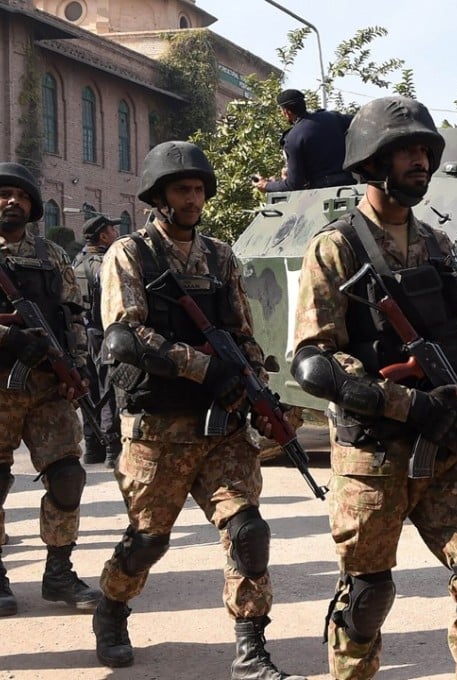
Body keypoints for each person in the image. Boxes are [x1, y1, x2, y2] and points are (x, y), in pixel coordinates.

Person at [290, 95, 457, 679]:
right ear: (369, 161)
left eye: (425, 151)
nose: (420, 161)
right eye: (405, 151)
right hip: (374, 454)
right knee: (366, 597)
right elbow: (313, 362)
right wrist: (407, 403)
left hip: (451, 449)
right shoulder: (337, 247)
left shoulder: (439, 246)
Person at [90, 141, 305, 680]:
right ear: (159, 195)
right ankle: (112, 609)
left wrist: (253, 384)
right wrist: (206, 370)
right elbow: (125, 336)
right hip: (158, 428)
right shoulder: (130, 254)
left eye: (198, 190)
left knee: (247, 532)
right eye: (182, 190)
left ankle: (251, 649)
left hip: (222, 429)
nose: (193, 199)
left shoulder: (219, 255)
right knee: (146, 542)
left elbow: (241, 332)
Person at [0, 161, 101, 618]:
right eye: (4, 194)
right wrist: (10, 338)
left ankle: (58, 571)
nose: (11, 201)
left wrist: (76, 369)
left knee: (67, 477)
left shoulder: (51, 255)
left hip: (48, 387)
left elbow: (73, 314)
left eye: (20, 196)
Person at [72, 214, 122, 468]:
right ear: (103, 236)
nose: (116, 234)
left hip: (82, 334)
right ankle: (112, 448)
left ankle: (93, 448)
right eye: (113, 230)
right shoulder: (106, 264)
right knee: (108, 390)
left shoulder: (77, 262)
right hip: (104, 334)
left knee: (89, 388)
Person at [254, 89, 355, 193]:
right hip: (351, 187)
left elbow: (294, 184)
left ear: (286, 112)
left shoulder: (293, 138)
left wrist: (267, 185)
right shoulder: (332, 117)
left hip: (321, 195)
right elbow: (358, 121)